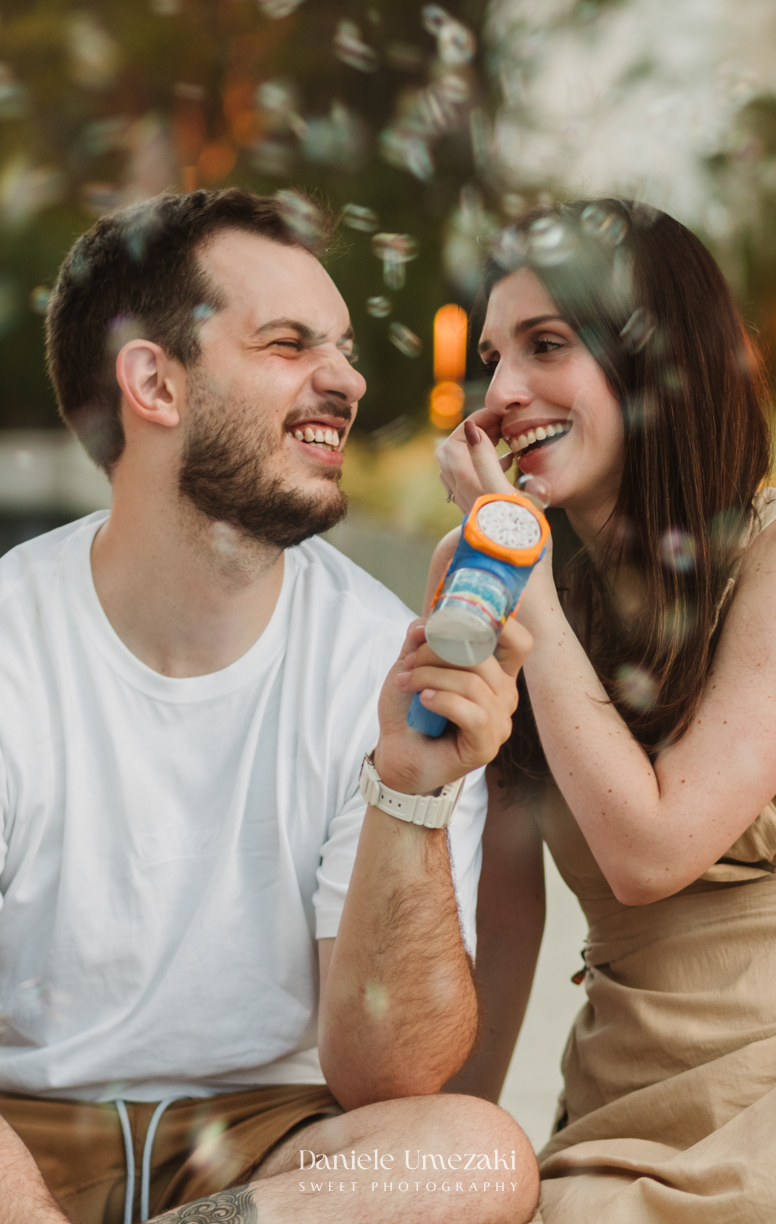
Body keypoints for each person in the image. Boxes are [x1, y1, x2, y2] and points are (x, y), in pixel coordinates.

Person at [0, 188, 541, 1224]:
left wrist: (412, 791)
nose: (347, 380)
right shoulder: (12, 642)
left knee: (473, 1155)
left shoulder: (383, 658)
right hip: (24, 1135)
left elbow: (393, 1078)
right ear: (155, 382)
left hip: (265, 1159)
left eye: (341, 347)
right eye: (291, 343)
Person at [434, 198, 776, 1222]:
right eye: (492, 358)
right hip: (614, 1125)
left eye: (547, 346)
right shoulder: (509, 586)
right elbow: (500, 930)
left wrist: (525, 580)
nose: (503, 393)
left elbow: (652, 850)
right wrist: (427, 1164)